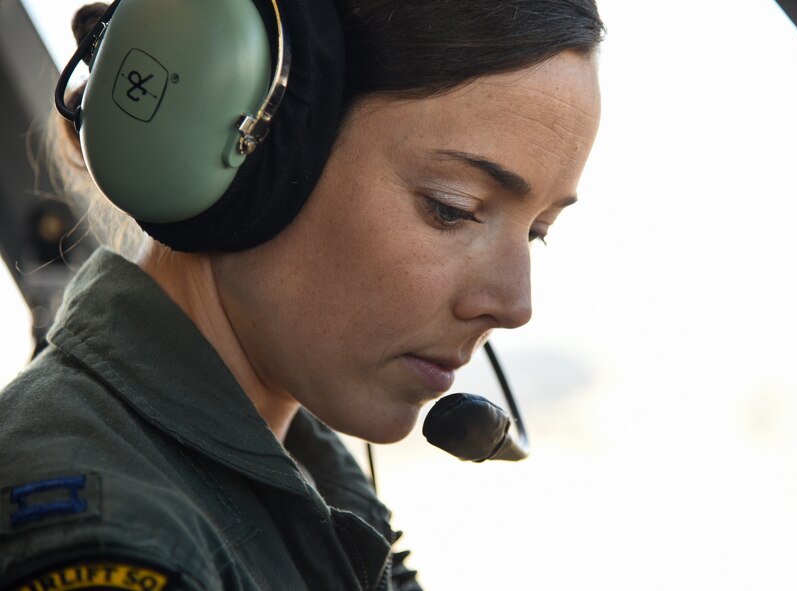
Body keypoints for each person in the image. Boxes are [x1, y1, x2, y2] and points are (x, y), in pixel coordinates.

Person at [0, 0, 604, 589]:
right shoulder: (108, 544)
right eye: (453, 208)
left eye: (537, 233)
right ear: (258, 141)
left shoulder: (299, 480)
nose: (515, 305)